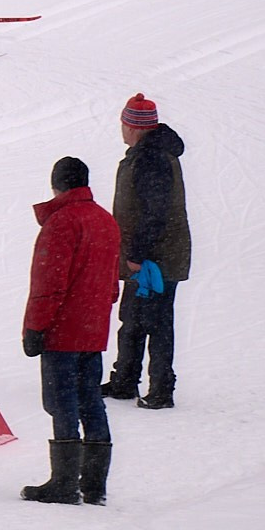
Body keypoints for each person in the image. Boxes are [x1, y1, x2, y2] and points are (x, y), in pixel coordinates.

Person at [19, 157, 121, 506]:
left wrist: (35, 327)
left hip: (63, 330)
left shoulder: (61, 223)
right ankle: (93, 483)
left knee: (61, 402)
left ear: (56, 185)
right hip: (93, 330)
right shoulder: (105, 221)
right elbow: (111, 286)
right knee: (90, 400)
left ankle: (64, 483)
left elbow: (49, 284)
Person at [102, 94, 188, 409]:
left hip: (157, 258)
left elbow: (155, 212)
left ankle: (162, 389)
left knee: (157, 322)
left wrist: (138, 254)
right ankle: (125, 380)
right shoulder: (146, 154)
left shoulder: (151, 158)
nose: (121, 129)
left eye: (124, 123)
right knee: (134, 317)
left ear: (134, 126)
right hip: (153, 254)